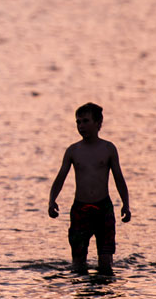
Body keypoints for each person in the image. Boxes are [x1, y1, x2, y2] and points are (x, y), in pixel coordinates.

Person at [48, 103, 130, 275]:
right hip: (81, 209)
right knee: (78, 264)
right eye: (78, 122)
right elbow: (60, 177)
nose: (81, 126)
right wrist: (52, 200)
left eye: (85, 121)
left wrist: (125, 204)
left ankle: (104, 294)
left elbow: (119, 178)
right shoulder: (73, 150)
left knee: (106, 263)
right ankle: (81, 292)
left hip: (103, 208)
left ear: (98, 123)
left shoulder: (108, 149)